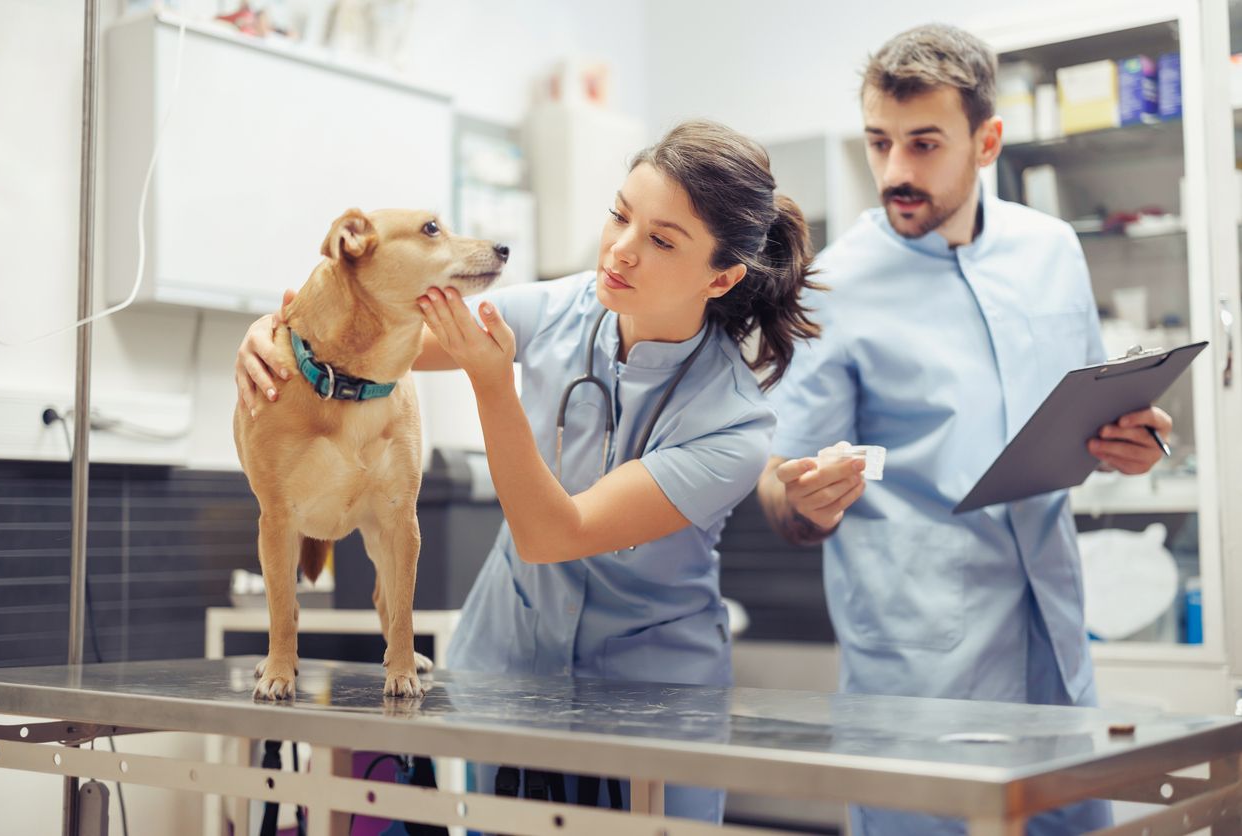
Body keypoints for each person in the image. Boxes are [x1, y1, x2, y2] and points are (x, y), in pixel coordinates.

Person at [236, 119, 820, 822]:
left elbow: (552, 535)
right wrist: (275, 338)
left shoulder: (735, 425)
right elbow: (370, 340)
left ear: (720, 277)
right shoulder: (561, 307)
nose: (622, 249)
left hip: (651, 701)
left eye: (662, 241)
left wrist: (493, 387)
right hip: (505, 670)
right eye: (619, 216)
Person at [756, 24, 1172, 836]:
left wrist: (1131, 443)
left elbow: (1089, 418)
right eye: (879, 142)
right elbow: (782, 490)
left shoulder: (1053, 252)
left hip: (1055, 647)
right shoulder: (834, 285)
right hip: (919, 672)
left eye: (923, 144)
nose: (894, 172)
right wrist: (802, 500)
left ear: (987, 142)